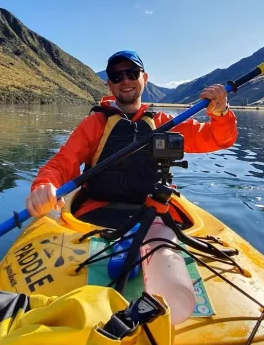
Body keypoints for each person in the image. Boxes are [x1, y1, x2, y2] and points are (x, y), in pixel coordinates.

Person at [25, 50, 238, 225]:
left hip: (155, 210)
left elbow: (217, 138)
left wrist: (220, 114)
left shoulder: (164, 123)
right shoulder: (95, 124)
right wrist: (44, 185)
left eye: (132, 73)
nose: (125, 80)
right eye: (117, 76)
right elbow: (63, 163)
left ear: (144, 78)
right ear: (109, 84)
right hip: (98, 209)